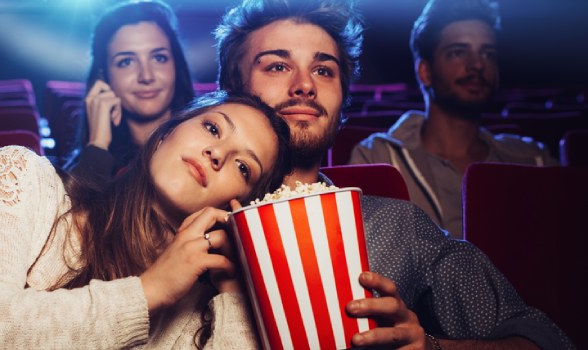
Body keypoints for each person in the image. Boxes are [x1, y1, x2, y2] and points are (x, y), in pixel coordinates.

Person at [214, 0, 573, 348]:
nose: (305, 85)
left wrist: (432, 347)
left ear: (342, 104)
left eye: (324, 70)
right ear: (231, 91)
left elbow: (544, 339)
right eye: (277, 66)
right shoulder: (184, 220)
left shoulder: (398, 226)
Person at [0, 91, 292, 348]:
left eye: (244, 169)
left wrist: (234, 295)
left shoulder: (200, 312)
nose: (218, 154)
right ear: (165, 133)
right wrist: (147, 293)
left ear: (241, 207)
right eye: (214, 129)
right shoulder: (22, 178)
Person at [348, 0, 559, 239]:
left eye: (487, 53)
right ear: (425, 72)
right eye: (458, 52)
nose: (478, 64)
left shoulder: (534, 160)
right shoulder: (378, 158)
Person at [63, 0, 195, 184]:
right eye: (126, 62)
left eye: (159, 57)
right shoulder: (83, 166)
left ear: (176, 65)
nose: (146, 76)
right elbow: (77, 213)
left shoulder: (205, 151)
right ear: (104, 77)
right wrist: (97, 145)